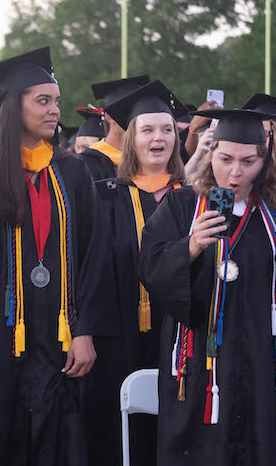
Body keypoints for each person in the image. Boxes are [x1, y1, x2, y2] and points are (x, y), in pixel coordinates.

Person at [0, 47, 112, 465]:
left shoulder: (71, 170)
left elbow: (93, 257)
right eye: (43, 101)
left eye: (57, 101)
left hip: (60, 341)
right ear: (14, 106)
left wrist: (84, 331)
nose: (54, 111)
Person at [139, 108, 276, 465]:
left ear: (264, 160)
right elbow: (149, 267)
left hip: (260, 361)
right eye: (225, 159)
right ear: (211, 155)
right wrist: (191, 246)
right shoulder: (183, 206)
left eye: (248, 161)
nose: (235, 172)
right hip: (199, 366)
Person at [80, 80, 188, 465]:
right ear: (132, 138)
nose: (158, 138)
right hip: (118, 336)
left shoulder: (192, 195)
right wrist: (84, 331)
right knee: (118, 435)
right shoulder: (105, 195)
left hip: (180, 335)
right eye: (147, 129)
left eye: (166, 129)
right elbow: (89, 270)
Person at [79, 75, 151, 182]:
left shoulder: (151, 161)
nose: (137, 119)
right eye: (130, 113)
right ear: (110, 117)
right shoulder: (86, 164)